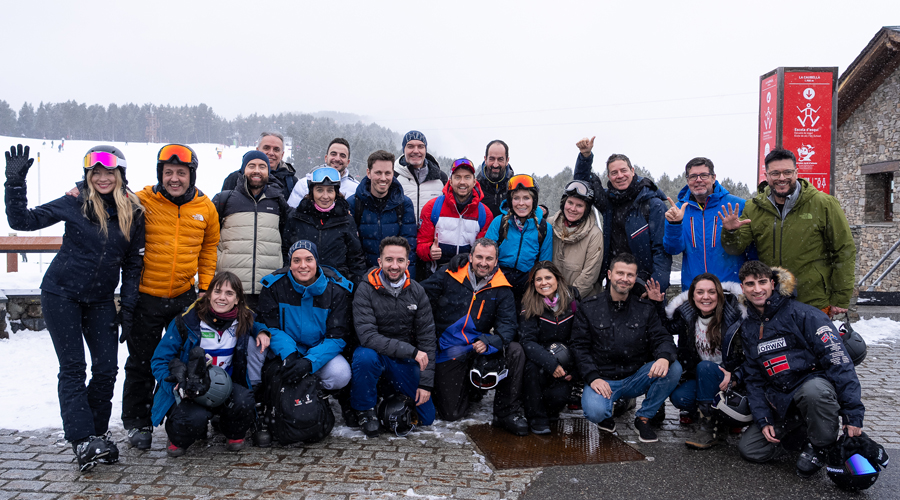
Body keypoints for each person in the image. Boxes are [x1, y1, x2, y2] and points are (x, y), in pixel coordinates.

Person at [5, 144, 145, 471]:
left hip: (99, 301)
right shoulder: (75, 202)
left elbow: (133, 267)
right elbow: (23, 220)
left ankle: (96, 435)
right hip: (61, 294)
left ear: (120, 175)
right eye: (95, 172)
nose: (101, 178)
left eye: (108, 172)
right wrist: (14, 185)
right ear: (88, 175)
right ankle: (82, 440)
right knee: (73, 368)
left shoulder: (134, 211)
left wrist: (128, 308)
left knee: (107, 368)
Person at [119, 144, 220, 450]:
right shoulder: (141, 200)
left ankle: (183, 416)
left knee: (187, 361)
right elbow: (106, 194)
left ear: (192, 175)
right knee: (141, 362)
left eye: (181, 173)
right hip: (146, 297)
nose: (175, 179)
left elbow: (209, 249)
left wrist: (205, 289)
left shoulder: (205, 207)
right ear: (160, 174)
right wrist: (82, 186)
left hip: (184, 298)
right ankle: (138, 422)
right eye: (168, 173)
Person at [729, 261, 864, 478]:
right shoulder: (748, 327)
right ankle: (803, 435)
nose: (757, 289)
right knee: (751, 449)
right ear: (743, 288)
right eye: (750, 284)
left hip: (812, 387)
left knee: (815, 392)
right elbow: (754, 378)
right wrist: (763, 420)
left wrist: (853, 415)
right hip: (782, 401)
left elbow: (839, 363)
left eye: (762, 282)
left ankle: (822, 445)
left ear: (772, 283)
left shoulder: (805, 315)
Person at [721, 148, 856, 316]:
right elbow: (734, 249)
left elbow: (844, 251)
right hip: (771, 301)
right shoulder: (753, 207)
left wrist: (841, 297)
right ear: (767, 175)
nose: (782, 178)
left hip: (813, 300)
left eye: (787, 172)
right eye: (775, 173)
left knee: (812, 343)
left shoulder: (824, 204)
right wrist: (730, 232)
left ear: (796, 172)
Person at [150, 272, 271, 457]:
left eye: (229, 293)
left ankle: (232, 432)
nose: (222, 297)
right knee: (191, 422)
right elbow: (159, 359)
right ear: (208, 294)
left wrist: (262, 331)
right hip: (190, 388)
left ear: (238, 299)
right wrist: (174, 383)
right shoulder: (187, 321)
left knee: (244, 401)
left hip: (226, 386)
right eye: (217, 291)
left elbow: (256, 321)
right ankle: (178, 435)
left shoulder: (244, 319)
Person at [569, 253, 681, 443]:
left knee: (673, 367)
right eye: (620, 273)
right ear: (610, 274)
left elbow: (663, 338)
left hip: (635, 377)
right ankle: (605, 415)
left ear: (634, 278)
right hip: (602, 379)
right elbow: (579, 347)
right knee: (594, 412)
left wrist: (663, 357)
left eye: (630, 275)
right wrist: (592, 377)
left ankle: (643, 418)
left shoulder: (644, 308)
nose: (625, 279)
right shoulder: (589, 307)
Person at [420, 238, 527, 435]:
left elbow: (508, 325)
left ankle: (506, 411)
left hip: (480, 348)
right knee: (451, 413)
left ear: (496, 261)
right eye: (478, 257)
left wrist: (490, 341)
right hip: (450, 349)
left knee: (515, 351)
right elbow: (420, 293)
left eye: (489, 258)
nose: (483, 263)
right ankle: (471, 388)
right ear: (470, 257)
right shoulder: (449, 273)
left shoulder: (502, 288)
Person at [350, 237, 436, 436]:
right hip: (378, 355)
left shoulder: (417, 291)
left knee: (426, 417)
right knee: (364, 356)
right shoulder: (365, 289)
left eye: (400, 260)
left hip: (404, 362)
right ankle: (365, 410)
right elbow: (368, 337)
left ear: (408, 263)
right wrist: (411, 351)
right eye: (389, 260)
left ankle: (390, 400)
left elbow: (428, 339)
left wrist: (425, 384)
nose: (394, 266)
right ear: (380, 262)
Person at [648, 273, 745, 449]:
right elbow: (666, 328)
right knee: (680, 397)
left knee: (706, 367)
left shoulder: (733, 317)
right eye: (700, 292)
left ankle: (708, 427)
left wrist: (737, 374)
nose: (706, 297)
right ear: (692, 296)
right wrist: (657, 303)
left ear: (719, 294)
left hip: (731, 380)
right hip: (703, 377)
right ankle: (719, 421)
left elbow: (749, 355)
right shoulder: (689, 317)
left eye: (711, 292)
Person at [257, 240, 354, 415]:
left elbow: (338, 337)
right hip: (286, 350)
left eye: (309, 259)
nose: (303, 265)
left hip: (319, 351)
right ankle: (259, 399)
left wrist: (310, 362)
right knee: (254, 346)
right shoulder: (274, 286)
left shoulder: (336, 291)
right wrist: (289, 353)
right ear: (290, 264)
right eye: (297, 260)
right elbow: (268, 325)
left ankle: (314, 393)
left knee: (341, 374)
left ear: (316, 262)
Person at [573, 136, 670, 296]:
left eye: (624, 170)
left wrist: (657, 285)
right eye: (614, 173)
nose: (620, 176)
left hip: (645, 286)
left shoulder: (653, 204)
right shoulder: (609, 200)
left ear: (632, 171)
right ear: (609, 177)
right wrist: (585, 156)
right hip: (615, 283)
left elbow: (661, 250)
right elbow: (582, 185)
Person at [213, 150, 289, 309]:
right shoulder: (225, 199)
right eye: (251, 165)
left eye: (262, 166)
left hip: (267, 287)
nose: (257, 170)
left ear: (268, 172)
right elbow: (208, 240)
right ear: (243, 170)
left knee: (262, 333)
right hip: (231, 288)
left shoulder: (277, 201)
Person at [664, 157, 751, 289]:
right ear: (687, 180)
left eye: (704, 175)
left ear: (713, 178)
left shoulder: (737, 205)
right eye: (693, 176)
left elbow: (749, 249)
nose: (698, 180)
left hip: (730, 288)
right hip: (694, 290)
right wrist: (674, 225)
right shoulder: (678, 210)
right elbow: (673, 249)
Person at [519, 262, 580, 435]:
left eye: (548, 278)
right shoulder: (529, 304)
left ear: (557, 279)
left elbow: (579, 338)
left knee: (558, 397)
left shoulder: (572, 302)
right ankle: (536, 417)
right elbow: (528, 341)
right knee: (532, 370)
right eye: (538, 279)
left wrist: (573, 370)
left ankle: (550, 409)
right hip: (540, 360)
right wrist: (551, 364)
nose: (543, 283)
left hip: (565, 360)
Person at [282, 166, 367, 285]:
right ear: (312, 192)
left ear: (336, 193)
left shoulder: (346, 220)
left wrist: (355, 289)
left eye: (330, 190)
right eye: (320, 190)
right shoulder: (297, 218)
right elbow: (286, 252)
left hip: (336, 287)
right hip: (301, 286)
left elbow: (356, 259)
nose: (325, 196)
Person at [417, 158, 492, 278]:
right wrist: (429, 250)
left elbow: (485, 252)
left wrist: (468, 258)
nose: (462, 182)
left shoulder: (484, 213)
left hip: (468, 277)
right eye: (457, 177)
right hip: (437, 274)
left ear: (474, 181)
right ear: (450, 181)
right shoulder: (432, 208)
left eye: (467, 177)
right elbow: (420, 244)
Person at [347, 150, 418, 277]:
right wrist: (360, 280)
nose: (383, 178)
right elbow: (351, 249)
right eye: (378, 173)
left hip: (394, 275)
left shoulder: (403, 204)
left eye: (387, 173)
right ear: (368, 173)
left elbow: (409, 249)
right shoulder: (354, 204)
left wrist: (407, 281)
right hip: (364, 276)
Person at [485, 174, 553, 305]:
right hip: (499, 280)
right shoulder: (499, 222)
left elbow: (545, 264)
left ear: (534, 201)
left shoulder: (544, 228)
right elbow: (486, 254)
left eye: (526, 198)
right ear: (510, 201)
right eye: (516, 198)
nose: (521, 203)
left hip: (527, 284)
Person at [548, 180, 604, 298]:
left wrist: (566, 298)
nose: (573, 209)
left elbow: (589, 275)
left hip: (578, 300)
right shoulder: (550, 224)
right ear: (564, 203)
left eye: (579, 205)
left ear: (586, 209)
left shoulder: (594, 235)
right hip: (548, 295)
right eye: (570, 202)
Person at [222, 132, 300, 201]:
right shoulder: (236, 178)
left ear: (282, 155)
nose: (271, 153)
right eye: (266, 148)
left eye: (276, 150)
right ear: (257, 150)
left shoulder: (291, 182)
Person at [287, 138, 360, 206]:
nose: (337, 159)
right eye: (333, 154)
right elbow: (292, 215)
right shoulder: (304, 184)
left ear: (348, 162)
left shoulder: (356, 189)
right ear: (326, 158)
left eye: (342, 156)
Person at [394, 130, 447, 220]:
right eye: (410, 146)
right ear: (404, 149)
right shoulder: (393, 177)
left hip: (430, 233)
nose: (416, 151)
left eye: (420, 146)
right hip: (401, 233)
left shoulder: (440, 178)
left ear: (425, 150)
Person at [477, 140, 514, 218]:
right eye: (492, 159)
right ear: (485, 159)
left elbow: (528, 208)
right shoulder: (475, 187)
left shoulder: (515, 187)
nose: (495, 164)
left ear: (507, 160)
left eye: (500, 159)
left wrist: (543, 211)